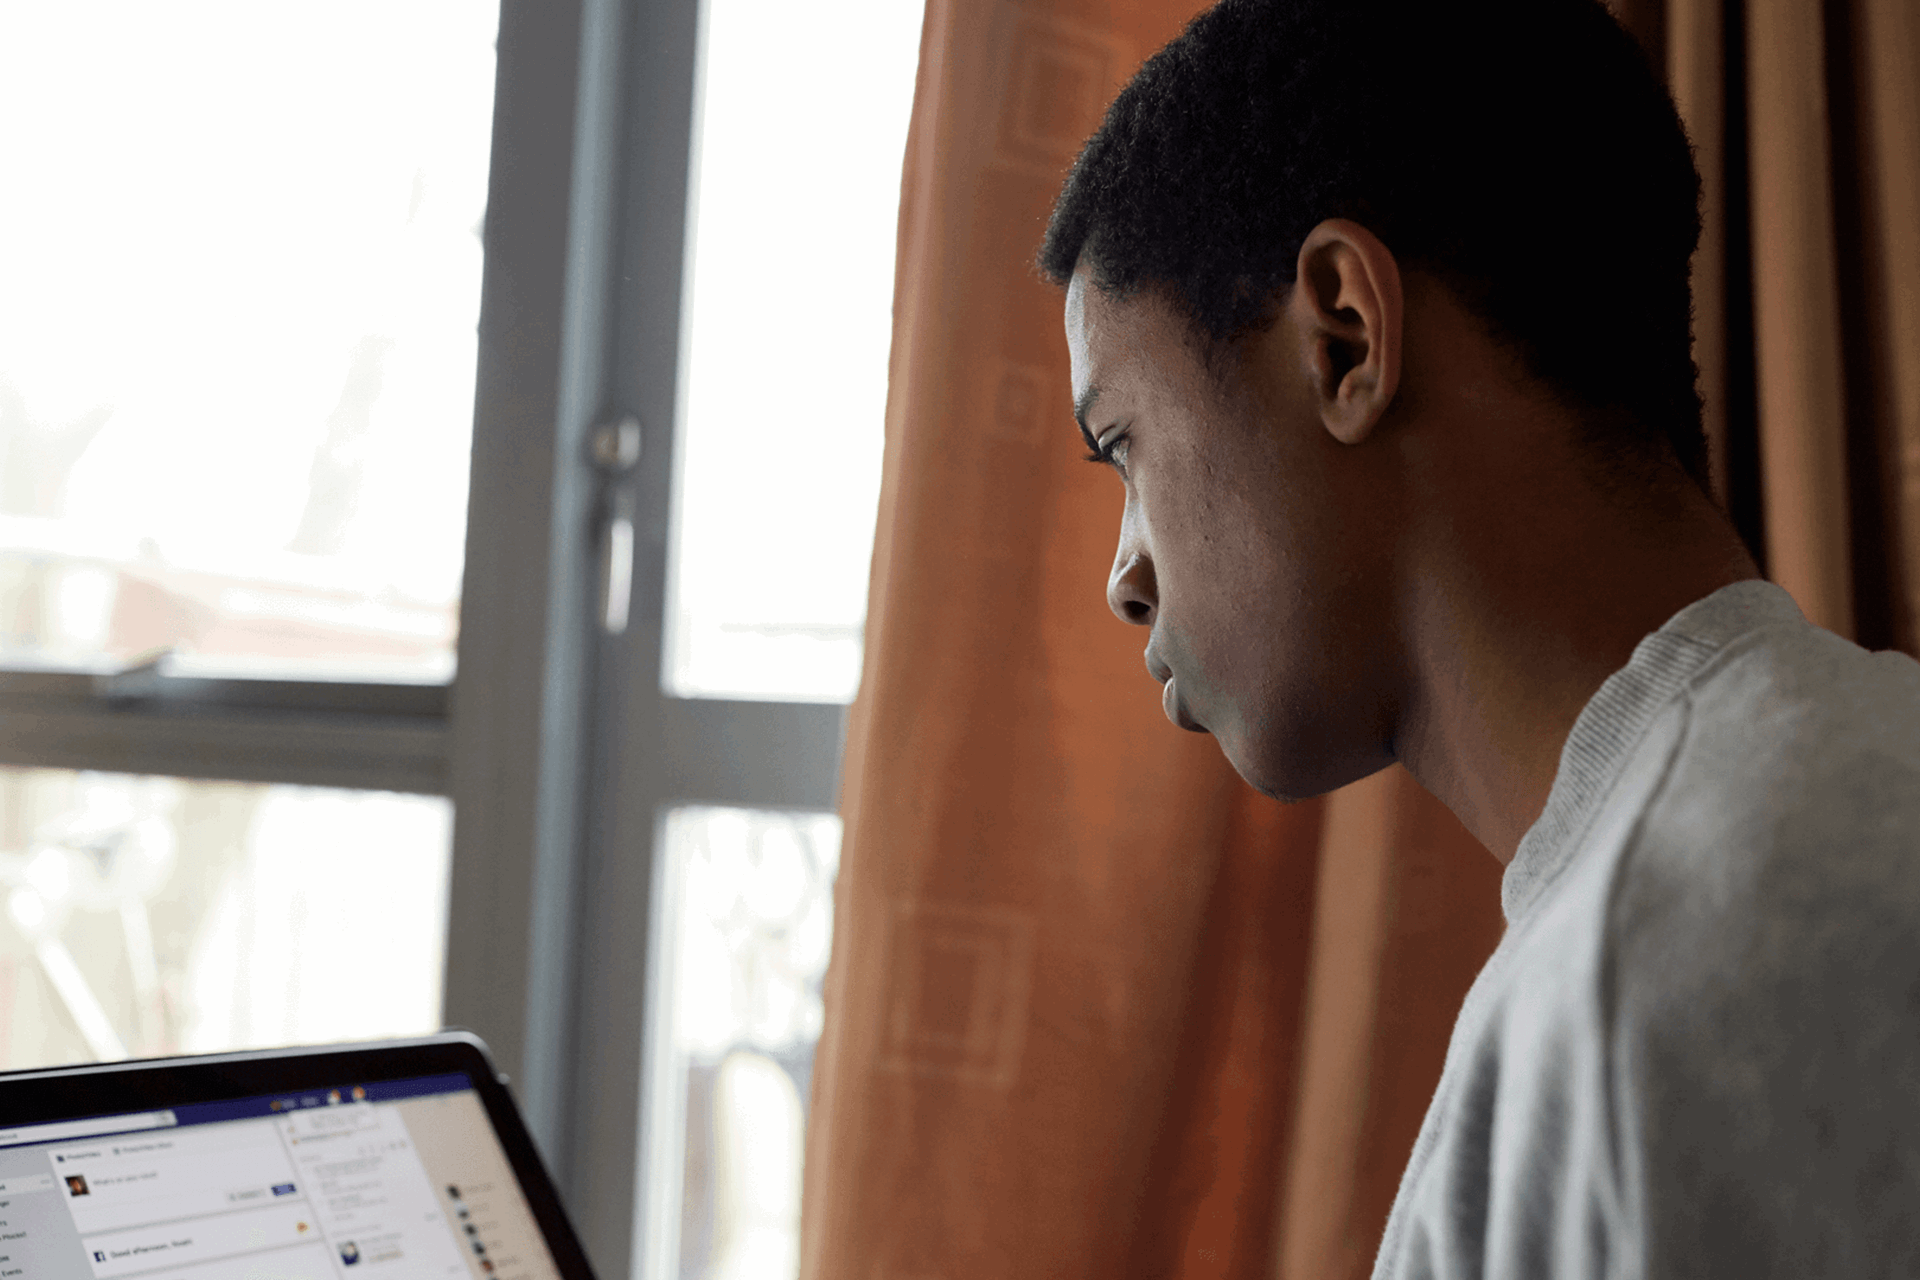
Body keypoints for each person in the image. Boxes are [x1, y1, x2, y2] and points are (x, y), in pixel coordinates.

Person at [1039, 0, 1920, 1276]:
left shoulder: (1655, 966)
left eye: (1123, 444)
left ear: (1343, 333)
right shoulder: (1812, 800)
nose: (1125, 575)